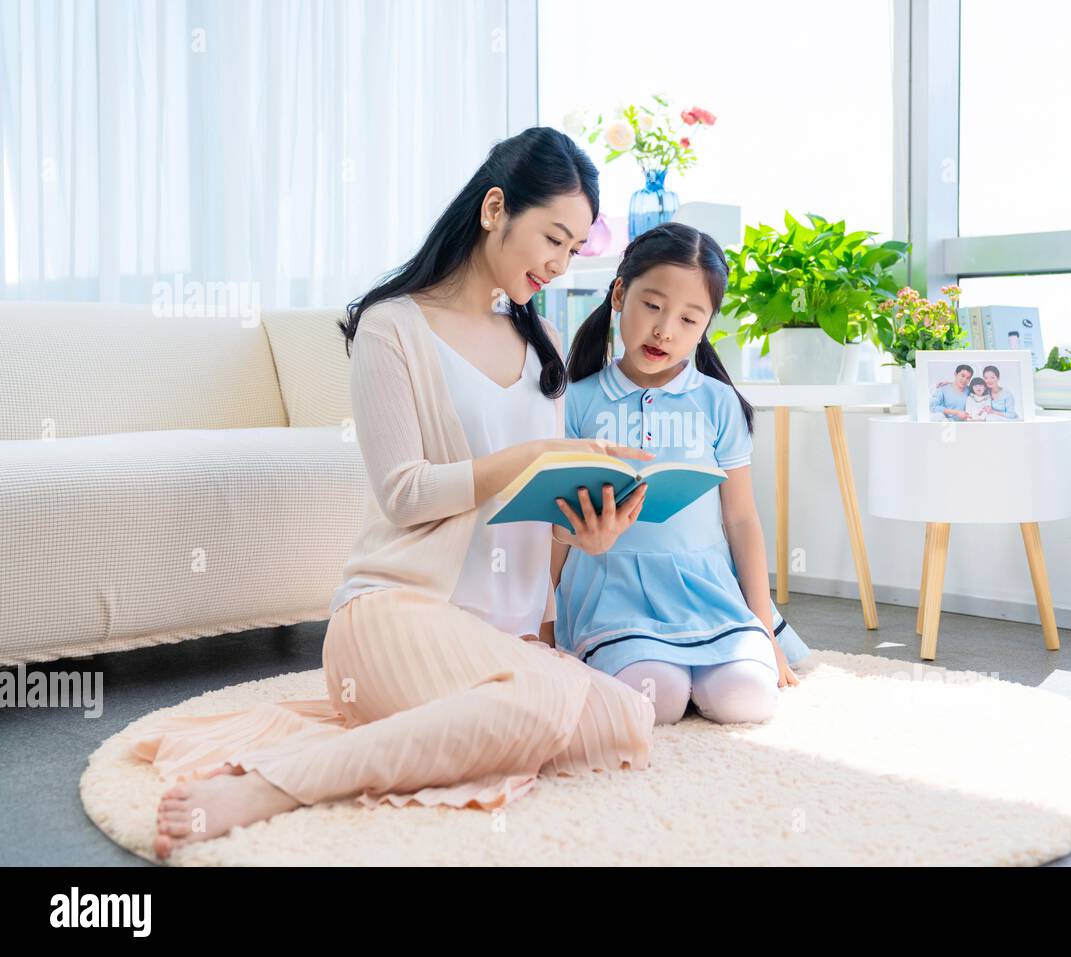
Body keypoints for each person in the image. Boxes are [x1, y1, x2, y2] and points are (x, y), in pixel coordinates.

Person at [130, 127, 659, 860]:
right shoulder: (391, 326)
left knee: (629, 717)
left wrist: (586, 535)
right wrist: (527, 454)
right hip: (396, 614)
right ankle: (271, 784)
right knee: (540, 704)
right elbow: (406, 492)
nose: (561, 263)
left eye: (575, 250)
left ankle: (437, 725)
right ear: (496, 207)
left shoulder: (542, 345)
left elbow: (536, 526)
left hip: (503, 641)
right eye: (553, 238)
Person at [547, 222, 811, 727]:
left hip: (705, 590)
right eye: (652, 306)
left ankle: (708, 663)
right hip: (613, 590)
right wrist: (545, 622)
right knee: (658, 699)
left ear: (707, 325)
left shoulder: (718, 402)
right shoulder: (575, 401)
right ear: (620, 292)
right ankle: (665, 668)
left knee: (747, 701)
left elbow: (741, 520)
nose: (666, 330)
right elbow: (557, 523)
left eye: (689, 319)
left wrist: (765, 629)